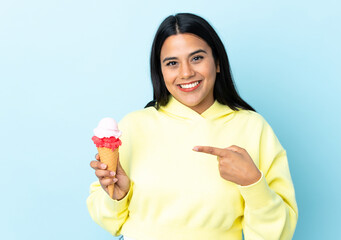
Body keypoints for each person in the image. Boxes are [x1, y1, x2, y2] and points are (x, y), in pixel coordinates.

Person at [87, 13, 298, 240]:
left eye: (197, 58)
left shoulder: (253, 128)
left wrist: (253, 183)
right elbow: (110, 223)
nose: (186, 72)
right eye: (172, 63)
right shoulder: (133, 126)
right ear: (160, 71)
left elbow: (278, 233)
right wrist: (118, 196)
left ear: (217, 62)